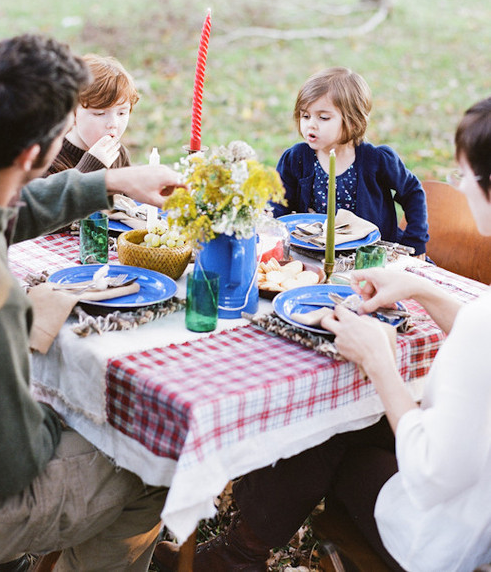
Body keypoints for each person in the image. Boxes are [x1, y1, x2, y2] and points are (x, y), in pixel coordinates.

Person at [153, 96, 491, 572]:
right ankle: (237, 550)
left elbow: (433, 472)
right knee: (337, 410)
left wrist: (380, 365)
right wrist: (421, 288)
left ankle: (235, 555)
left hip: (451, 537)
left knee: (327, 426)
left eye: (463, 175)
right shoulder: (481, 316)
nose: (457, 186)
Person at [0, 34, 181, 572]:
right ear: (33, 154)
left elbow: (5, 206)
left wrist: (109, 179)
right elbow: (11, 467)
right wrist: (64, 402)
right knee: (155, 461)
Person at [271, 66, 428, 255]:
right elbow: (278, 202)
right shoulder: (297, 158)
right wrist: (273, 234)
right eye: (305, 115)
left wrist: (416, 241)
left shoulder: (376, 160)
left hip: (371, 256)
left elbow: (412, 192)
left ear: (353, 122)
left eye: (323, 117)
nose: (310, 124)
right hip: (314, 251)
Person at [46, 53, 139, 175]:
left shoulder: (117, 154)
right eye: (100, 113)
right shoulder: (50, 160)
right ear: (71, 113)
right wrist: (92, 165)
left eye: (121, 113)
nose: (113, 124)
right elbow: (57, 193)